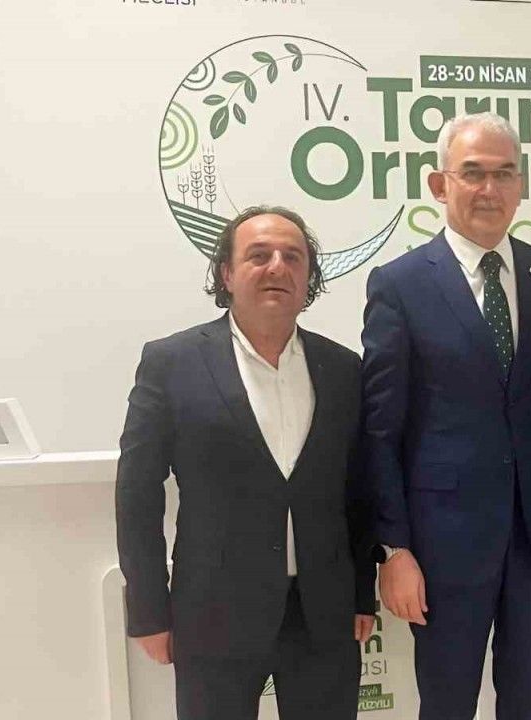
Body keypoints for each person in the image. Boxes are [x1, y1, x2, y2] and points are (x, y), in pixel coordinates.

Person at [359, 112, 531, 719]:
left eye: (504, 174)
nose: (489, 189)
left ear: (521, 186)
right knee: (447, 706)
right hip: (443, 546)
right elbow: (380, 430)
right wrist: (394, 549)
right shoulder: (400, 284)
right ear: (439, 185)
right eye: (472, 173)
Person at [115, 206, 375, 720]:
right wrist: (148, 609)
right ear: (227, 274)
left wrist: (362, 594)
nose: (278, 266)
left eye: (293, 257)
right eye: (259, 255)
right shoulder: (171, 363)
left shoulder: (344, 368)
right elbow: (137, 493)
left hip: (323, 615)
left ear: (309, 277)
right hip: (213, 614)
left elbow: (359, 490)